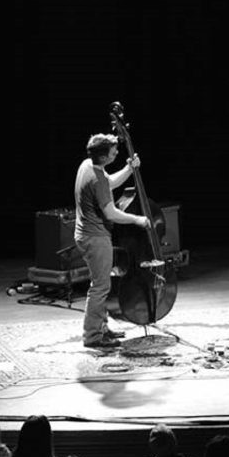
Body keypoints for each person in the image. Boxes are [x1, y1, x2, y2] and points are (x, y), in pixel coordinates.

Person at [74, 133, 151, 349]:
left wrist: (128, 169)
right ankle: (92, 337)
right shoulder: (96, 178)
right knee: (100, 288)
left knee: (101, 285)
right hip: (95, 238)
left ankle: (101, 328)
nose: (117, 152)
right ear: (104, 156)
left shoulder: (88, 166)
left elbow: (109, 183)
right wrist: (138, 219)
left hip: (87, 235)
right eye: (113, 151)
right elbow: (111, 213)